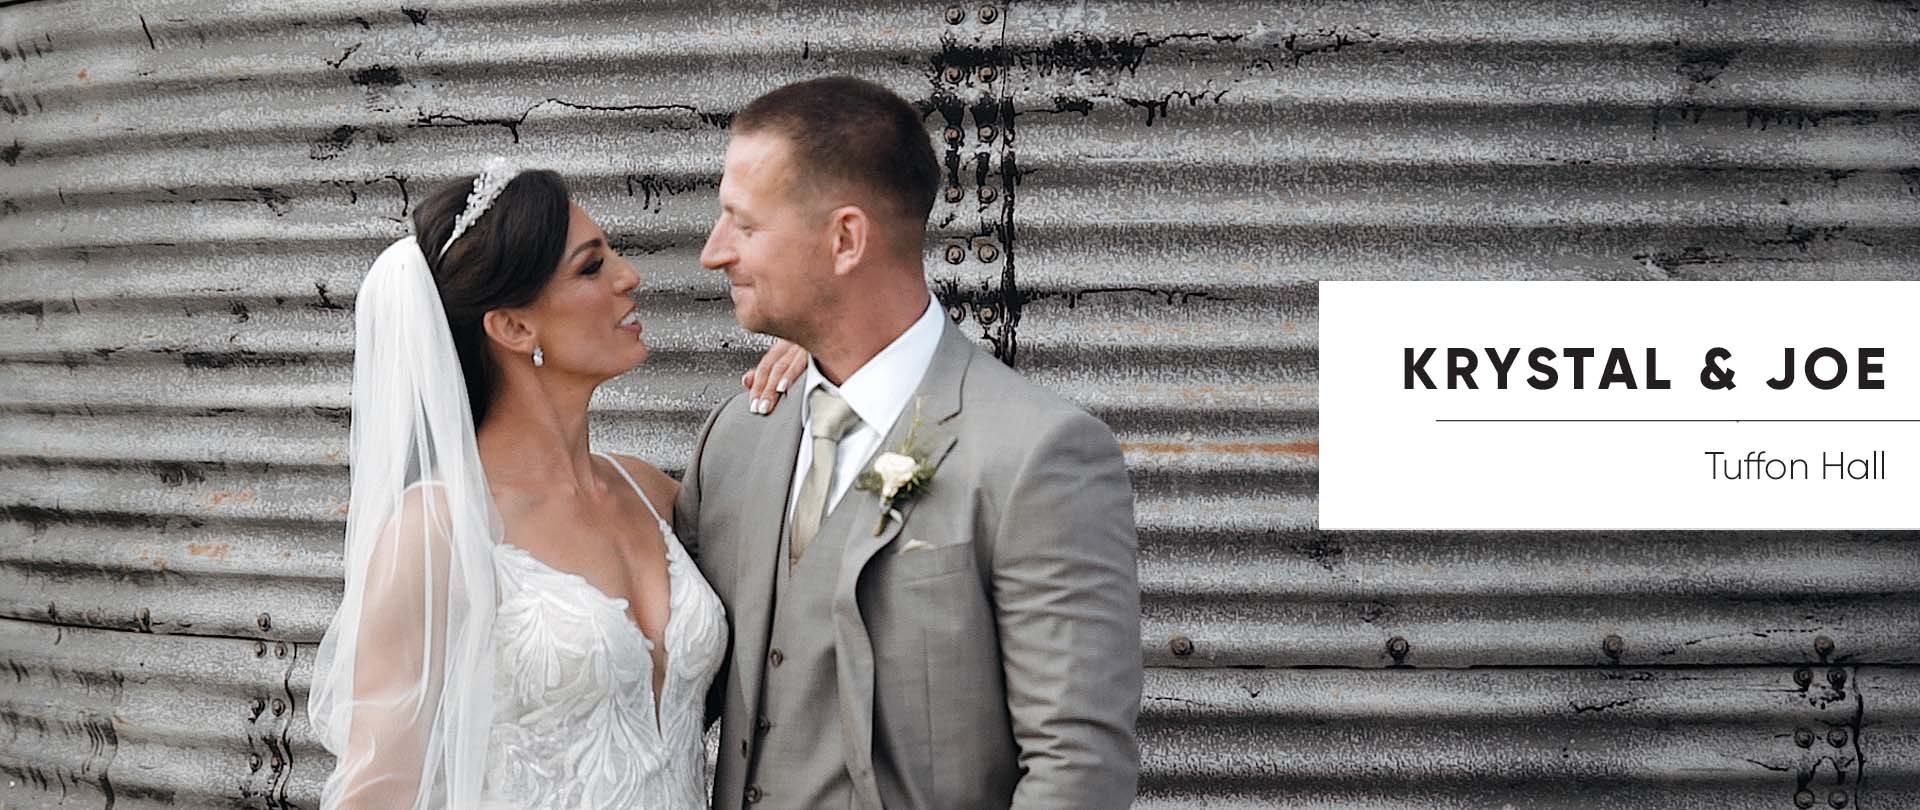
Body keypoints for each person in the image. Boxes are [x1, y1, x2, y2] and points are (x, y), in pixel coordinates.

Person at [679, 76, 1144, 810]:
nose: (714, 253)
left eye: (744, 224)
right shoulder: (736, 436)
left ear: (845, 240)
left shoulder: (1035, 453)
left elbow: (1076, 766)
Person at [308, 162, 801, 810]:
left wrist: (820, 371)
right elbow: (378, 793)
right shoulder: (437, 532)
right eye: (592, 267)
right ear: (514, 327)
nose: (629, 277)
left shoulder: (650, 493)